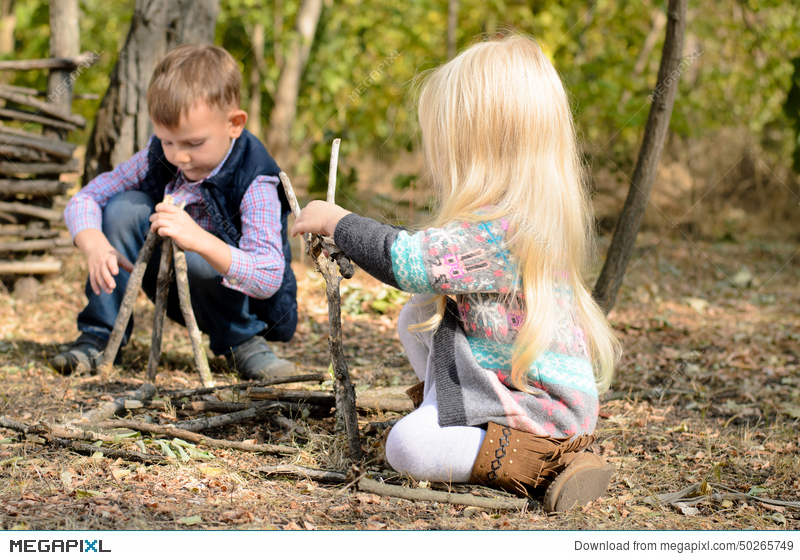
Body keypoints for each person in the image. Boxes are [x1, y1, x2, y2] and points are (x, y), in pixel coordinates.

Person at [291, 35, 621, 512]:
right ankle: (450, 414)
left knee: (406, 448)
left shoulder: (504, 232)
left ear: (481, 149)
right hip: (508, 381)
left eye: (448, 147)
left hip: (542, 408)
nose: (438, 161)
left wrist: (339, 223)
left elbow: (407, 261)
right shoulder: (511, 220)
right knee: (417, 315)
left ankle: (545, 463)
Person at [54, 44, 298, 380]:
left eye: (194, 144)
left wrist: (199, 240)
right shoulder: (158, 156)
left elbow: (269, 275)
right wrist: (93, 242)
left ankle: (242, 342)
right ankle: (99, 335)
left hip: (235, 302)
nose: (179, 157)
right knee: (122, 208)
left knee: (203, 249)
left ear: (234, 124)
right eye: (168, 142)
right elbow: (86, 197)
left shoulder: (254, 179)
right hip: (173, 286)